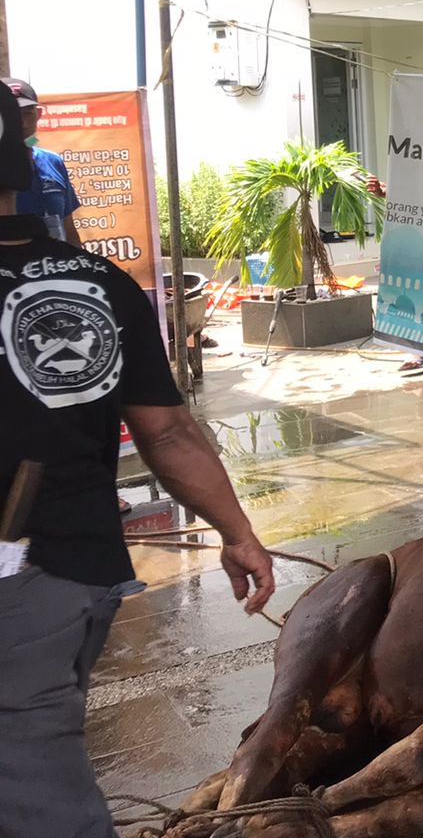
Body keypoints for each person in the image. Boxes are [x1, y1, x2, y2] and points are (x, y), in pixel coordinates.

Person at [0, 84, 276, 838]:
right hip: (78, 575)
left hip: (16, 588)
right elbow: (170, 433)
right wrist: (238, 533)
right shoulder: (101, 283)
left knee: (32, 785)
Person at [5, 77, 83, 246]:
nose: (23, 124)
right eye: (14, 116)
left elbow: (68, 227)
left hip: (58, 268)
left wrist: (83, 267)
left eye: (28, 114)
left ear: (38, 114)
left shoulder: (53, 162)